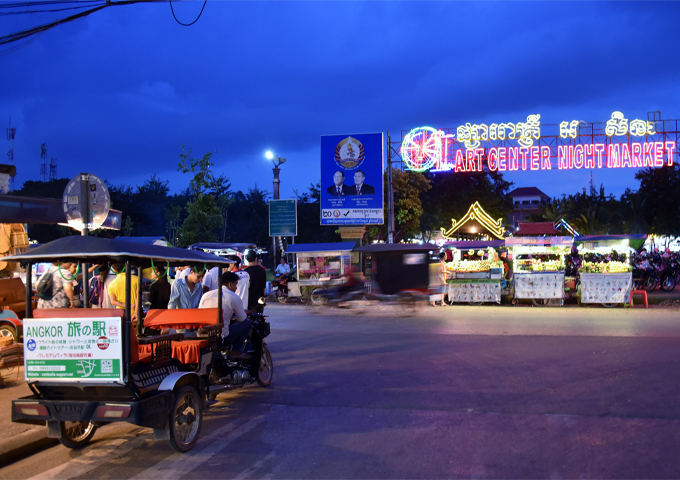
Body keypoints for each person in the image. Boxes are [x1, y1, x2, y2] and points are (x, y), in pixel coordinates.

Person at [198, 271, 252, 359]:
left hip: (204, 333)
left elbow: (200, 314)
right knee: (248, 322)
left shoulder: (206, 295)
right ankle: (235, 350)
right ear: (230, 284)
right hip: (222, 337)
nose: (236, 288)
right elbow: (242, 319)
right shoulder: (234, 297)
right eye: (235, 285)